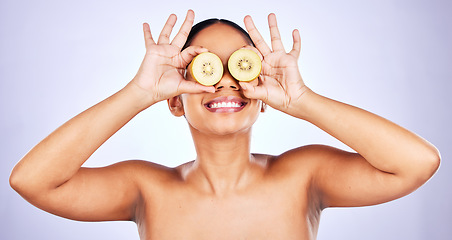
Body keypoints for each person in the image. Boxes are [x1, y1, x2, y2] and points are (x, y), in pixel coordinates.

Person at [9, 9, 440, 240]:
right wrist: (137, 93)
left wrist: (304, 101)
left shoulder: (304, 177)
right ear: (175, 101)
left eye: (241, 66)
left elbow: (417, 163)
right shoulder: (147, 189)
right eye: (205, 68)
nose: (227, 79)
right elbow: (32, 181)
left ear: (263, 96)